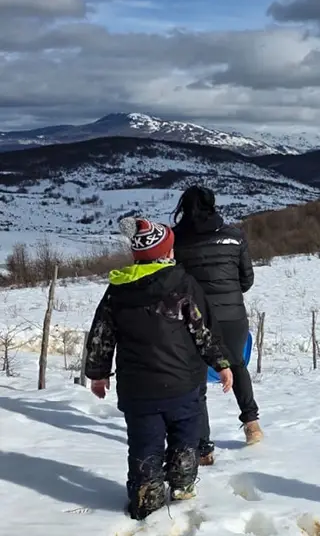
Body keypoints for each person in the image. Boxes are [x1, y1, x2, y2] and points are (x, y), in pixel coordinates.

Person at [83, 217, 233, 520]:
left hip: (139, 392)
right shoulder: (183, 284)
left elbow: (101, 335)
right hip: (183, 386)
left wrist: (98, 374)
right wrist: (223, 364)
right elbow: (203, 330)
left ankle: (146, 496)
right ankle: (182, 485)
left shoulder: (118, 290)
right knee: (185, 439)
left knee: (145, 445)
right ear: (167, 254)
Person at [171, 185, 261, 465]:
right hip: (233, 314)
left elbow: (174, 280)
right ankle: (252, 425)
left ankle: (204, 447)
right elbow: (247, 279)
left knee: (196, 378)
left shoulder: (178, 240)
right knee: (236, 365)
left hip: (195, 316)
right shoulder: (234, 235)